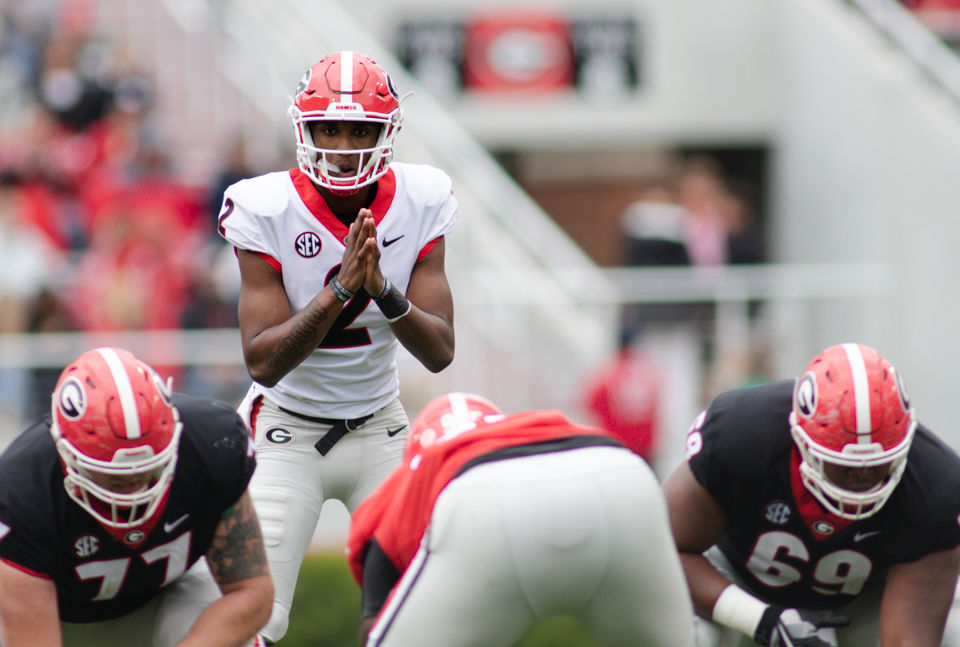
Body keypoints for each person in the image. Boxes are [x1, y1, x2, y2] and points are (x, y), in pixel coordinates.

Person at [216, 50, 457, 644]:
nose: (345, 144)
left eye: (360, 129)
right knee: (255, 618)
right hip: (286, 432)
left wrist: (384, 291)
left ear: (387, 134)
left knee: (422, 617)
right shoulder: (266, 207)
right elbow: (263, 361)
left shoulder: (421, 198)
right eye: (330, 127)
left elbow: (440, 350)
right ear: (305, 130)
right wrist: (342, 289)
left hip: (381, 426)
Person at [662, 342, 960, 647]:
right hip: (737, 581)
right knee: (687, 634)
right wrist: (759, 618)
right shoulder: (743, 434)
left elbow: (910, 638)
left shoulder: (934, 486)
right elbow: (663, 549)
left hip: (862, 604)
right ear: (801, 441)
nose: (862, 474)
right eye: (842, 465)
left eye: (878, 463)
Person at [346, 392, 695, 647]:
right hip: (619, 469)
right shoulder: (522, 426)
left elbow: (375, 621)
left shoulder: (409, 478)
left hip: (481, 493)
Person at [0, 347, 273, 647]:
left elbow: (251, 593)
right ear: (66, 453)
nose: (132, 485)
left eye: (148, 468)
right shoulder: (22, 493)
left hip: (164, 607)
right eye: (111, 475)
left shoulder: (210, 444)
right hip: (59, 622)